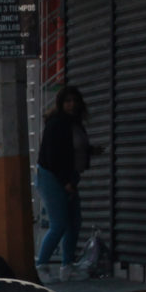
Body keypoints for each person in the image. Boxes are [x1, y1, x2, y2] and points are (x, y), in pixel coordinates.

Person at [35, 85, 91, 280]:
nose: (72, 105)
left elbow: (76, 151)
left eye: (74, 101)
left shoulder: (74, 123)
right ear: (61, 104)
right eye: (67, 101)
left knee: (74, 223)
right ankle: (41, 265)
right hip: (52, 177)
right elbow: (53, 157)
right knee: (59, 224)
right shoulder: (56, 124)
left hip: (69, 177)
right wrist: (65, 181)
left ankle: (67, 266)